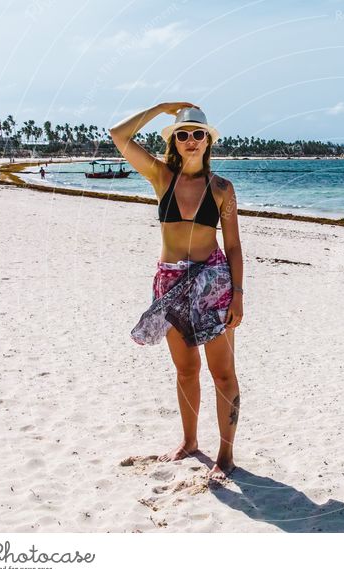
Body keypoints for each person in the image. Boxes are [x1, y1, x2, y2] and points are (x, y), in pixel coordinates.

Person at [109, 102, 244, 485]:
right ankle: (188, 442)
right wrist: (159, 108)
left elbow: (233, 246)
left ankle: (225, 453)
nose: (190, 140)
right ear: (175, 140)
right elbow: (119, 135)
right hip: (170, 282)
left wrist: (238, 294)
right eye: (182, 134)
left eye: (197, 134)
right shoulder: (160, 176)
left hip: (214, 284)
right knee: (186, 370)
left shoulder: (222, 189)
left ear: (207, 141)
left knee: (222, 374)